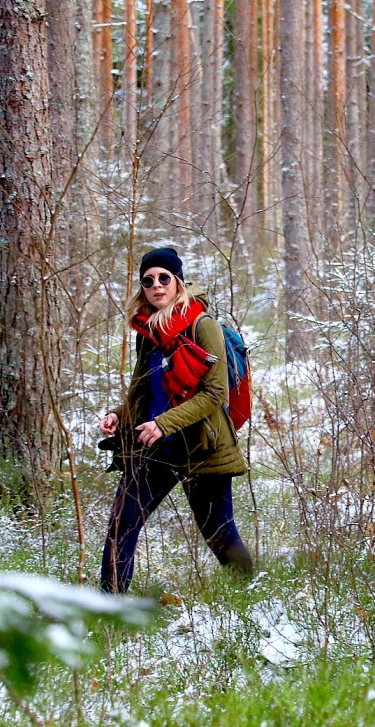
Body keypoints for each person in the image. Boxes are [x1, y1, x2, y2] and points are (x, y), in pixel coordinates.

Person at [99, 247, 253, 593]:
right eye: (148, 280)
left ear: (178, 282)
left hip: (202, 448)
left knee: (219, 533)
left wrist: (164, 423)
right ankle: (108, 610)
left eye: (164, 278)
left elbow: (215, 395)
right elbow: (140, 390)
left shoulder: (203, 326)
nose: (156, 286)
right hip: (154, 449)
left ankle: (250, 596)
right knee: (122, 524)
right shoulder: (148, 334)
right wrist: (117, 416)